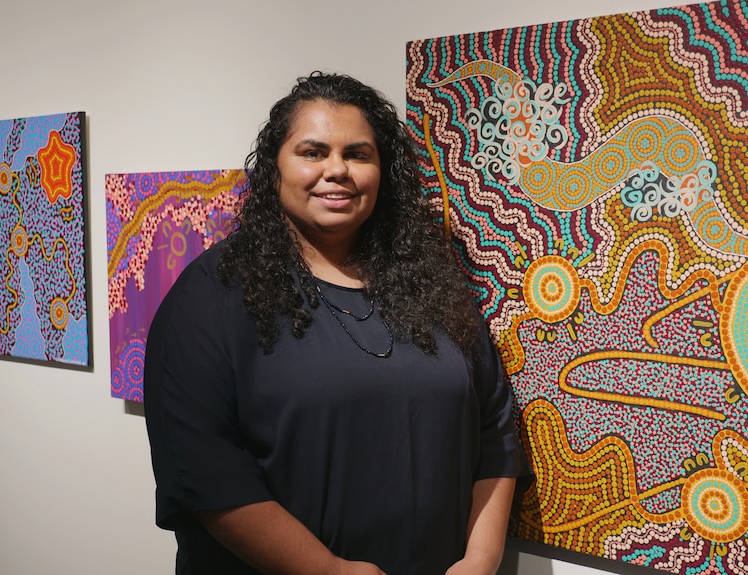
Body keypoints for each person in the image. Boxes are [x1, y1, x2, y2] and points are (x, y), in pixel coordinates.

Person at [144, 71, 527, 575]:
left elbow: (495, 431)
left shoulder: (432, 287)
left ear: (382, 171)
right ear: (275, 168)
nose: (337, 170)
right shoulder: (212, 295)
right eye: (312, 152)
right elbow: (204, 471)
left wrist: (480, 559)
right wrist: (331, 570)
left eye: (358, 154)